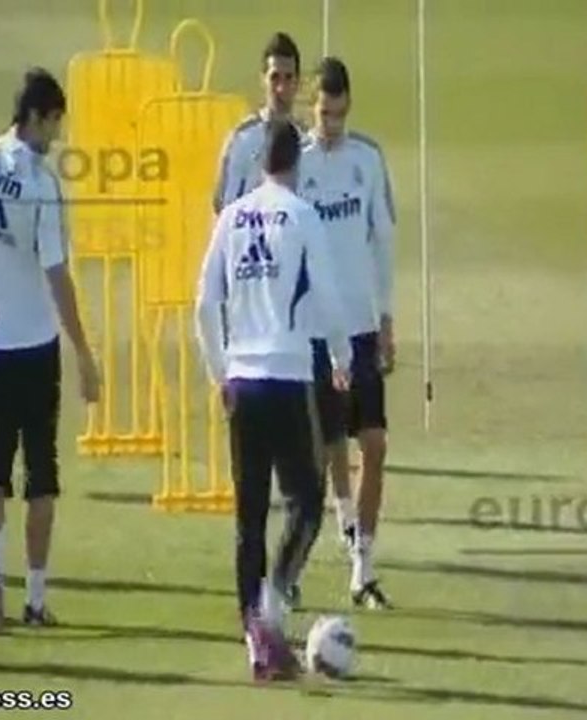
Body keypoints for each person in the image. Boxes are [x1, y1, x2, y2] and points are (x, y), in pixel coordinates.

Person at [194, 119, 352, 681]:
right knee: (306, 500)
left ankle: (255, 644)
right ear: (296, 163)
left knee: (250, 515)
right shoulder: (302, 215)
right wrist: (341, 357)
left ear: (260, 161)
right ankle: (272, 606)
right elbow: (327, 294)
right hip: (286, 374)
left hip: (242, 378)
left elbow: (203, 304)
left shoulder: (232, 216)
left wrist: (219, 372)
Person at [0, 68, 100, 635]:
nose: (56, 136)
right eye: (54, 123)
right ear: (37, 116)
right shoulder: (41, 182)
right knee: (41, 474)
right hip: (36, 344)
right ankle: (35, 600)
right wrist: (83, 351)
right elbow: (57, 272)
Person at [292, 57, 396, 610]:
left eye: (336, 114)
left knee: (374, 444)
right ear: (311, 108)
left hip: (361, 327)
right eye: (322, 114)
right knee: (322, 449)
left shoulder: (367, 159)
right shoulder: (298, 163)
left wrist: (386, 319)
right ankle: (305, 556)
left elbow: (383, 240)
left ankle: (363, 567)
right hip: (315, 329)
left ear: (348, 105)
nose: (329, 124)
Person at [212, 32, 307, 215]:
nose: (281, 88)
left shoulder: (307, 140)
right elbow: (224, 209)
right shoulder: (242, 139)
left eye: (288, 78)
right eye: (275, 78)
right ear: (263, 79)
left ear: (298, 82)